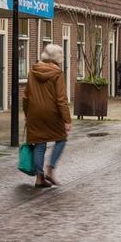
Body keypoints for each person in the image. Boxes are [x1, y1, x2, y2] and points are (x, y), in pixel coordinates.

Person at [23, 43, 71, 187]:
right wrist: (67, 120)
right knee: (61, 138)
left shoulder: (32, 71)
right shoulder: (57, 73)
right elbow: (61, 99)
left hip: (35, 113)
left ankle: (39, 178)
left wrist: (27, 114)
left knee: (39, 142)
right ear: (57, 57)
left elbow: (25, 97)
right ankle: (50, 169)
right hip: (52, 113)